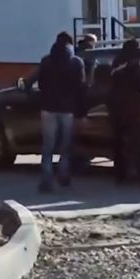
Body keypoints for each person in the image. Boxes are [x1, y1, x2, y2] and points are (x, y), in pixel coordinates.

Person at [36, 32, 86, 193]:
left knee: (48, 146)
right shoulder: (76, 63)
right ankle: (64, 177)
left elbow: (41, 84)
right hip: (68, 110)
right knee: (65, 145)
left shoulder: (46, 61)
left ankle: (46, 180)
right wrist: (81, 110)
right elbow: (81, 88)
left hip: (48, 108)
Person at [108, 39, 140, 191]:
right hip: (134, 109)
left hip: (116, 108)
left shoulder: (116, 63)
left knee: (118, 143)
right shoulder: (139, 64)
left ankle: (120, 176)